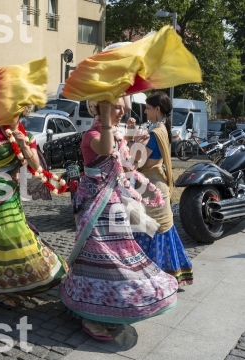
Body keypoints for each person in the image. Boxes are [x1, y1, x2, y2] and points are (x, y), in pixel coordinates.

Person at [59, 98, 178, 341]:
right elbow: (104, 150)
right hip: (94, 203)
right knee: (99, 256)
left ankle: (107, 311)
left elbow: (128, 166)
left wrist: (135, 144)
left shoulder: (115, 134)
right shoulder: (92, 133)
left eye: (123, 106)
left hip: (114, 203)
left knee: (117, 257)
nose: (122, 110)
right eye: (116, 106)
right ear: (100, 107)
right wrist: (108, 121)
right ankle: (90, 315)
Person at [0, 98, 67, 311]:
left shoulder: (27, 136)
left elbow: (36, 166)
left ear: (21, 113)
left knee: (13, 237)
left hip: (10, 195)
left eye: (13, 110)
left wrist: (23, 145)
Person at [130, 91, 193, 286]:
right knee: (162, 231)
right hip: (157, 185)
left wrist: (133, 142)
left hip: (151, 187)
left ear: (158, 109)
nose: (146, 112)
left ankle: (153, 278)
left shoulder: (154, 133)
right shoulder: (162, 128)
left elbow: (136, 162)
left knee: (149, 230)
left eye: (148, 108)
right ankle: (171, 274)